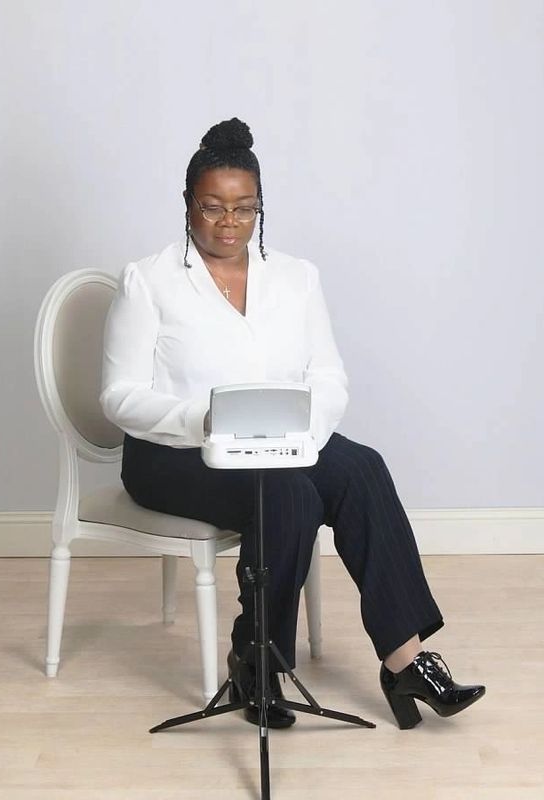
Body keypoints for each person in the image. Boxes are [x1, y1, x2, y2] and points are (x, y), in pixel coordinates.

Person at [100, 117, 485, 730]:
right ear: (187, 205)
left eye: (244, 209)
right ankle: (258, 658)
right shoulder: (148, 280)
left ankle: (405, 658)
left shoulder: (297, 278)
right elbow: (118, 397)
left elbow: (328, 378)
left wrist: (302, 440)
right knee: (287, 495)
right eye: (213, 208)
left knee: (360, 467)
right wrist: (204, 420)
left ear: (260, 208)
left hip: (277, 439)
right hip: (173, 450)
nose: (229, 223)